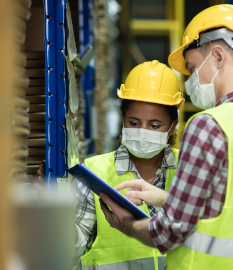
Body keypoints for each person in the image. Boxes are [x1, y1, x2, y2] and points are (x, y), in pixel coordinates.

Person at [97, 4, 233, 270]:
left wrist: (126, 224)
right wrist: (166, 198)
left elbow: (168, 233)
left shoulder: (209, 126)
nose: (190, 80)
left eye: (192, 67)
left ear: (217, 56)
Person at [31, 60, 185, 270]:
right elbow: (73, 246)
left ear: (172, 125)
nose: (142, 131)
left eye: (154, 125)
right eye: (134, 122)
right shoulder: (96, 172)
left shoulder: (190, 168)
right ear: (123, 119)